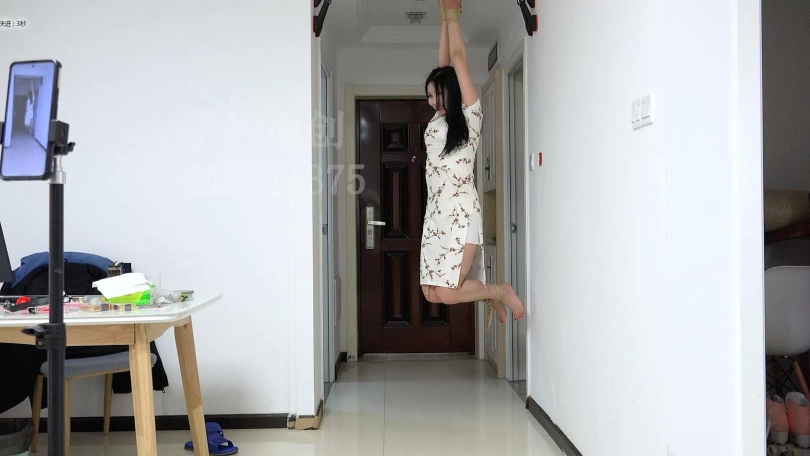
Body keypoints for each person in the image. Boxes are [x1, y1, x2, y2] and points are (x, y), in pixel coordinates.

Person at [420, 0, 525, 328]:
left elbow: (457, 58)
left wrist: (452, 16)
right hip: (435, 214)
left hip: (460, 213)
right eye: (429, 96)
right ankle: (491, 295)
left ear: (451, 91)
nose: (433, 102)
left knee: (447, 291)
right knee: (430, 293)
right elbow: (442, 66)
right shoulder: (437, 121)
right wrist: (442, 18)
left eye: (438, 95)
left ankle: (498, 291)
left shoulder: (470, 115)